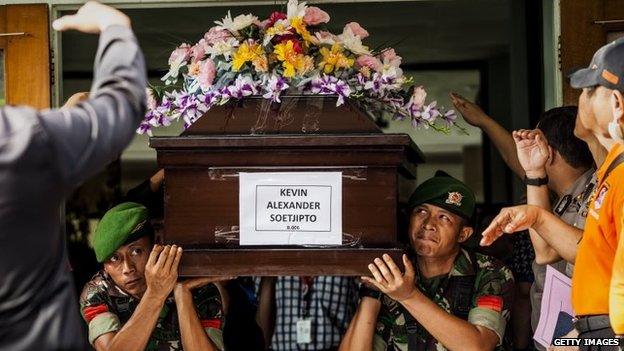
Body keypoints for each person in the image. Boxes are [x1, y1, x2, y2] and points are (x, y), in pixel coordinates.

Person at [0, 2, 147, 349]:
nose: (127, 268)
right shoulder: (18, 142)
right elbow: (122, 104)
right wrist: (114, 25)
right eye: (115, 258)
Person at [481, 38, 624, 350]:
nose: (579, 99)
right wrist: (581, 335)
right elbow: (551, 254)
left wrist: (602, 337)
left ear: (616, 104)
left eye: (589, 90)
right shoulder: (611, 172)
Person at [339, 172, 514, 351]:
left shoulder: (490, 272)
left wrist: (408, 296)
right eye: (421, 211)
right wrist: (372, 292)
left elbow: (479, 346)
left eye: (444, 217)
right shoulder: (394, 271)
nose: (428, 224)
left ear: (463, 234)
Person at [80, 202, 227, 350]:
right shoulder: (99, 292)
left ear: (155, 247)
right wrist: (155, 294)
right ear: (104, 267)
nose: (128, 268)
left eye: (136, 251)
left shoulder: (199, 289)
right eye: (114, 258)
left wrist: (182, 294)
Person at [256, 275, 359, 351]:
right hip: (281, 348)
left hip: (337, 347)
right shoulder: (275, 252)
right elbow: (259, 314)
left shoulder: (346, 253)